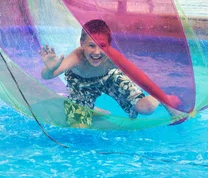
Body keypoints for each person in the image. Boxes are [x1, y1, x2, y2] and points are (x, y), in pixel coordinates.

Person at [40, 19, 176, 128]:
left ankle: (160, 98)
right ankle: (90, 108)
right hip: (81, 85)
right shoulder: (76, 58)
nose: (97, 52)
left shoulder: (113, 57)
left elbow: (142, 79)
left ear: (109, 44)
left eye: (102, 46)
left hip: (109, 77)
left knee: (146, 108)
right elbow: (47, 76)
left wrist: (170, 107)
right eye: (91, 45)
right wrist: (51, 68)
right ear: (82, 43)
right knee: (78, 127)